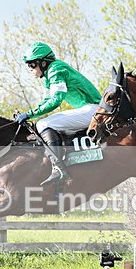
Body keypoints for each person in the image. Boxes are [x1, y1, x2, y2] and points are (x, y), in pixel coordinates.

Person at [14, 42, 102, 184]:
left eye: (31, 65)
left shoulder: (56, 69)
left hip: (93, 110)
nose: (30, 69)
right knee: (43, 124)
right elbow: (46, 101)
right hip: (89, 109)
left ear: (43, 63)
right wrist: (28, 114)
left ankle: (58, 167)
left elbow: (56, 100)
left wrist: (29, 114)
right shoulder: (49, 75)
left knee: (43, 124)